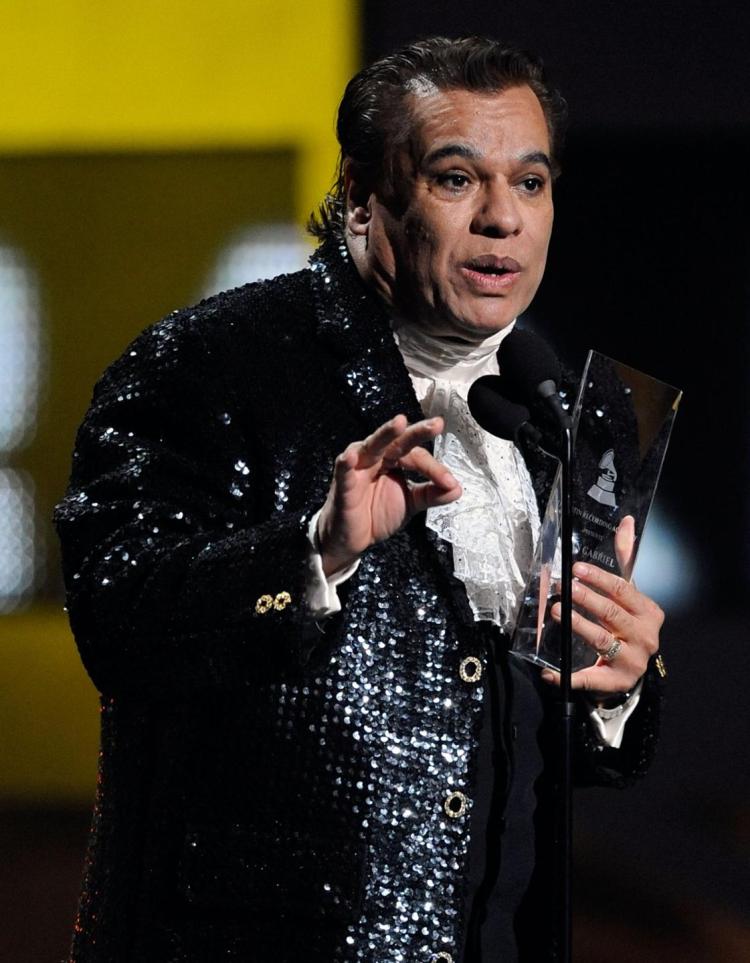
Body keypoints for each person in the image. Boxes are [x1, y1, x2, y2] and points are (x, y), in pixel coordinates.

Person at [56, 37, 665, 963]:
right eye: (457, 179)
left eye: (531, 184)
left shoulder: (577, 407)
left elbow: (527, 744)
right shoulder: (208, 360)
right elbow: (118, 618)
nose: (504, 220)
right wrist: (314, 553)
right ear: (361, 194)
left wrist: (616, 686)